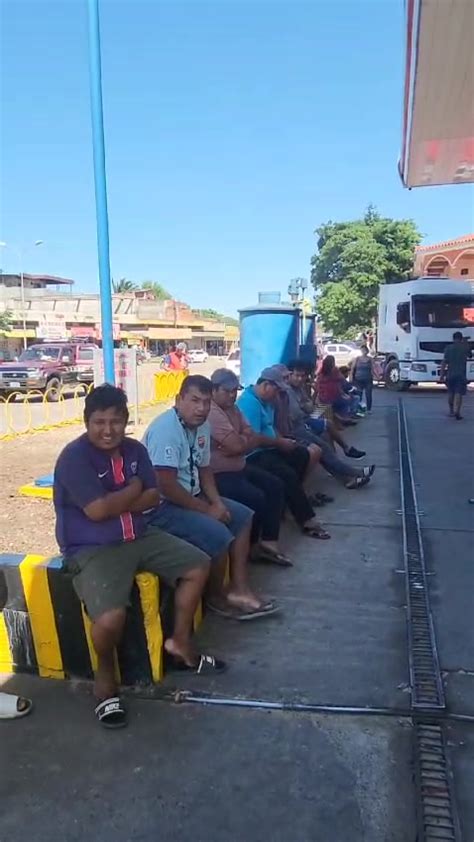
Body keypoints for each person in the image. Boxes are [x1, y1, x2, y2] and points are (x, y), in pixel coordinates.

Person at [54, 384, 223, 730]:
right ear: (87, 422)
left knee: (197, 564)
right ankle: (105, 678)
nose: (108, 429)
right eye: (99, 421)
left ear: (126, 421)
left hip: (141, 535)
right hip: (93, 547)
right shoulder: (74, 457)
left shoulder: (134, 450)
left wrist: (126, 499)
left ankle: (179, 642)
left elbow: (153, 497)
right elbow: (98, 511)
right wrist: (132, 490)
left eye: (116, 421)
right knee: (111, 618)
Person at [143, 375, 278, 620]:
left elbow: (205, 469)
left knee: (242, 516)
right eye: (194, 401)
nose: (201, 408)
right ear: (178, 399)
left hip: (191, 496)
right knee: (218, 533)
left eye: (206, 402)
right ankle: (216, 598)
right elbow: (166, 485)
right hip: (162, 507)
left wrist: (215, 502)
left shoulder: (202, 426)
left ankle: (238, 588)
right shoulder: (165, 429)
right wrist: (207, 511)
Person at [208, 369, 293, 567]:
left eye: (234, 391)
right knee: (256, 497)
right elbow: (240, 444)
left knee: (275, 485)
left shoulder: (233, 408)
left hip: (239, 465)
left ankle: (268, 543)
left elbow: (249, 435)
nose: (232, 395)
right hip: (219, 474)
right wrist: (240, 443)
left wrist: (238, 443)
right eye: (227, 391)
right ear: (214, 390)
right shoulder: (212, 412)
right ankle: (250, 547)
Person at [237, 368, 330, 539]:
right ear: (266, 385)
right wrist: (279, 443)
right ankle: (306, 518)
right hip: (253, 455)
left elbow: (271, 428)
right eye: (276, 390)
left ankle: (290, 502)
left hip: (268, 448)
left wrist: (284, 441)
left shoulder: (267, 402)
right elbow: (254, 439)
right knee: (285, 473)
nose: (278, 394)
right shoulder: (249, 403)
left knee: (301, 454)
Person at [285, 360, 374, 489]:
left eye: (302, 376)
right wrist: (305, 405)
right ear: (289, 375)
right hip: (296, 428)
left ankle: (347, 477)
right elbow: (298, 413)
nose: (300, 379)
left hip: (304, 422)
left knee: (325, 436)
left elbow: (310, 408)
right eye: (296, 375)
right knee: (323, 444)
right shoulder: (287, 391)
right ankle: (355, 472)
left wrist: (308, 402)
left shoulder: (299, 389)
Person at [440, 331, 472, 420]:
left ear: (453, 339)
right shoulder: (464, 348)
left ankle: (451, 411)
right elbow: (470, 355)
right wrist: (466, 344)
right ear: (461, 339)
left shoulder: (448, 348)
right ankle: (457, 411)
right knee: (459, 393)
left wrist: (442, 375)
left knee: (451, 393)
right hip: (461, 375)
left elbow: (444, 362)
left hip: (450, 374)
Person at [316, 355, 356, 421]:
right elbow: (342, 379)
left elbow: (317, 384)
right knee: (346, 402)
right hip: (334, 396)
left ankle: (338, 419)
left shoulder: (321, 372)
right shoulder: (335, 370)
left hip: (323, 397)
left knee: (324, 407)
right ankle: (344, 418)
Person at [350, 346, 374, 413]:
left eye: (365, 350)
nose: (364, 352)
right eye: (362, 350)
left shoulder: (370, 359)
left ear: (367, 351)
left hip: (368, 379)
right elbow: (352, 368)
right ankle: (359, 409)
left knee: (368, 394)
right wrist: (351, 377)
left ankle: (369, 409)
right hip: (358, 379)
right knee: (359, 394)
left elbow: (373, 368)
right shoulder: (357, 359)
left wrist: (376, 375)